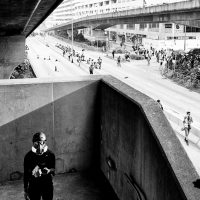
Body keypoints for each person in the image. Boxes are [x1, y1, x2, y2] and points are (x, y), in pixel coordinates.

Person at [24, 132, 55, 200]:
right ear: (33, 143)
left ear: (45, 142)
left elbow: (53, 169)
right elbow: (26, 174)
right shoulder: (28, 156)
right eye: (36, 143)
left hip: (47, 185)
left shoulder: (50, 155)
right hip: (33, 186)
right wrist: (26, 190)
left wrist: (49, 170)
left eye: (42, 142)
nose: (40, 145)